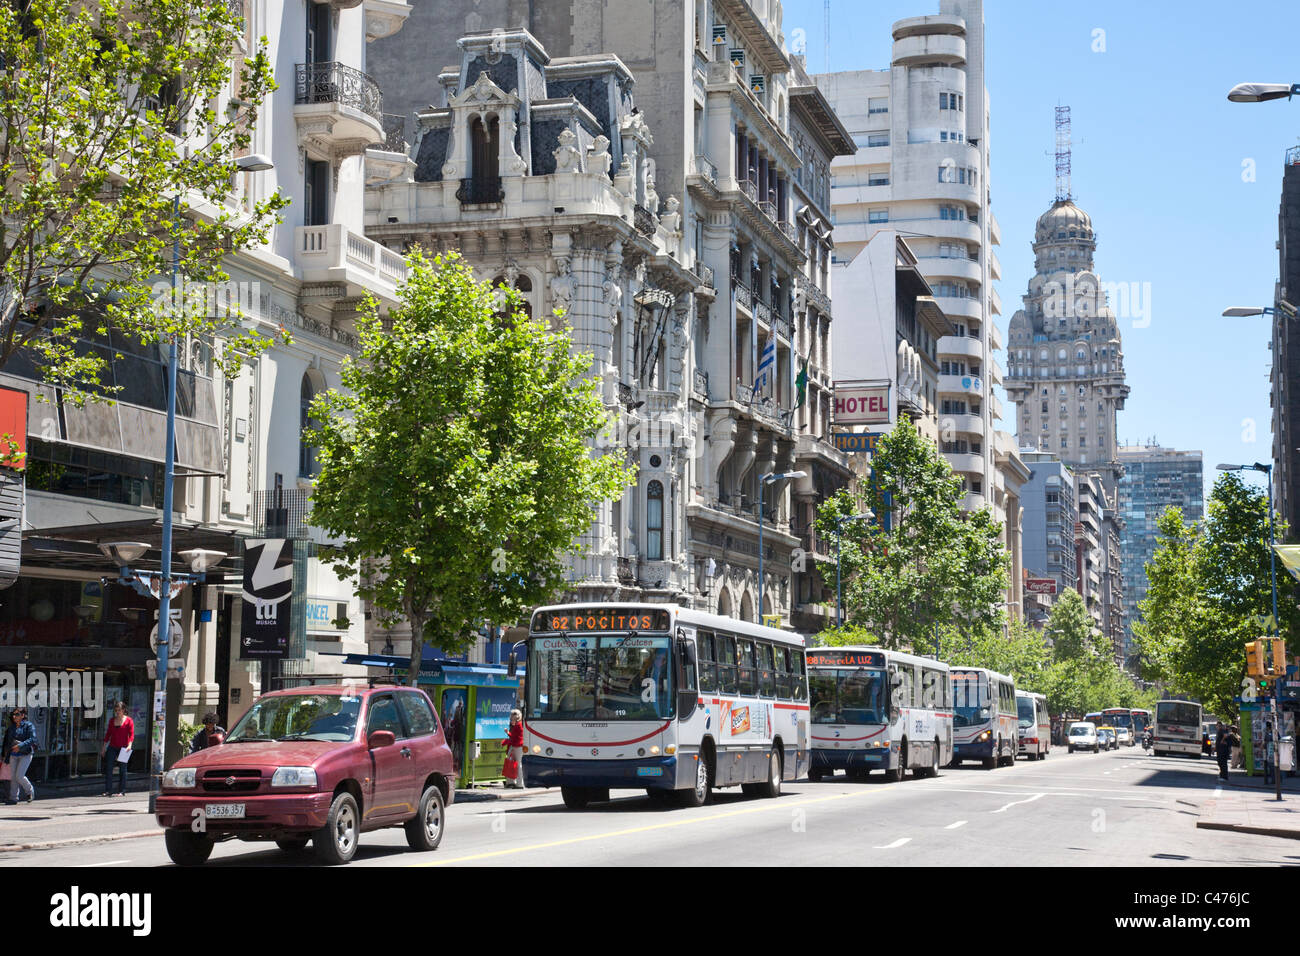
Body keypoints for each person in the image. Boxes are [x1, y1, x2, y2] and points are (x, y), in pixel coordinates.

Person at [101, 700, 134, 797]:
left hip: (124, 748)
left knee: (123, 769)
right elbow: (108, 735)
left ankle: (122, 790)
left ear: (124, 710)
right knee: (109, 768)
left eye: (119, 710)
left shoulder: (129, 721)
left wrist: (129, 745)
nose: (117, 712)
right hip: (112, 747)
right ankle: (108, 790)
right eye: (116, 710)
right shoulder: (112, 721)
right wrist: (103, 748)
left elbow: (131, 735)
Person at [8, 707, 37, 804]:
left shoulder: (29, 725)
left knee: (19, 776)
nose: (14, 716)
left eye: (17, 714)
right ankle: (13, 798)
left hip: (26, 753)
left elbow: (32, 739)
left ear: (22, 715)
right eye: (14, 714)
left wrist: (20, 745)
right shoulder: (12, 727)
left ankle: (29, 791)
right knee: (13, 777)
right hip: (14, 754)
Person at [502, 709, 525, 789]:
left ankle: (518, 783)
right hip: (518, 746)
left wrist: (507, 732)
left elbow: (513, 736)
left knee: (516, 764)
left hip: (517, 746)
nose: (511, 719)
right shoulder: (520, 724)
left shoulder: (517, 725)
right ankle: (514, 782)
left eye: (512, 717)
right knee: (515, 763)